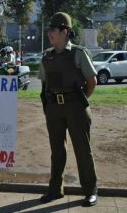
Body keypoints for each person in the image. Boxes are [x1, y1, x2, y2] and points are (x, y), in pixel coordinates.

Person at [39, 12, 98, 207]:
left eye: (53, 30)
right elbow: (44, 84)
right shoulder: (47, 56)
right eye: (49, 30)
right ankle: (55, 190)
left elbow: (91, 81)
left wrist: (79, 100)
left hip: (76, 108)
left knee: (83, 151)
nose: (49, 33)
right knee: (57, 152)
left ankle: (90, 191)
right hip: (54, 108)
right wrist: (49, 106)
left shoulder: (78, 53)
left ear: (65, 31)